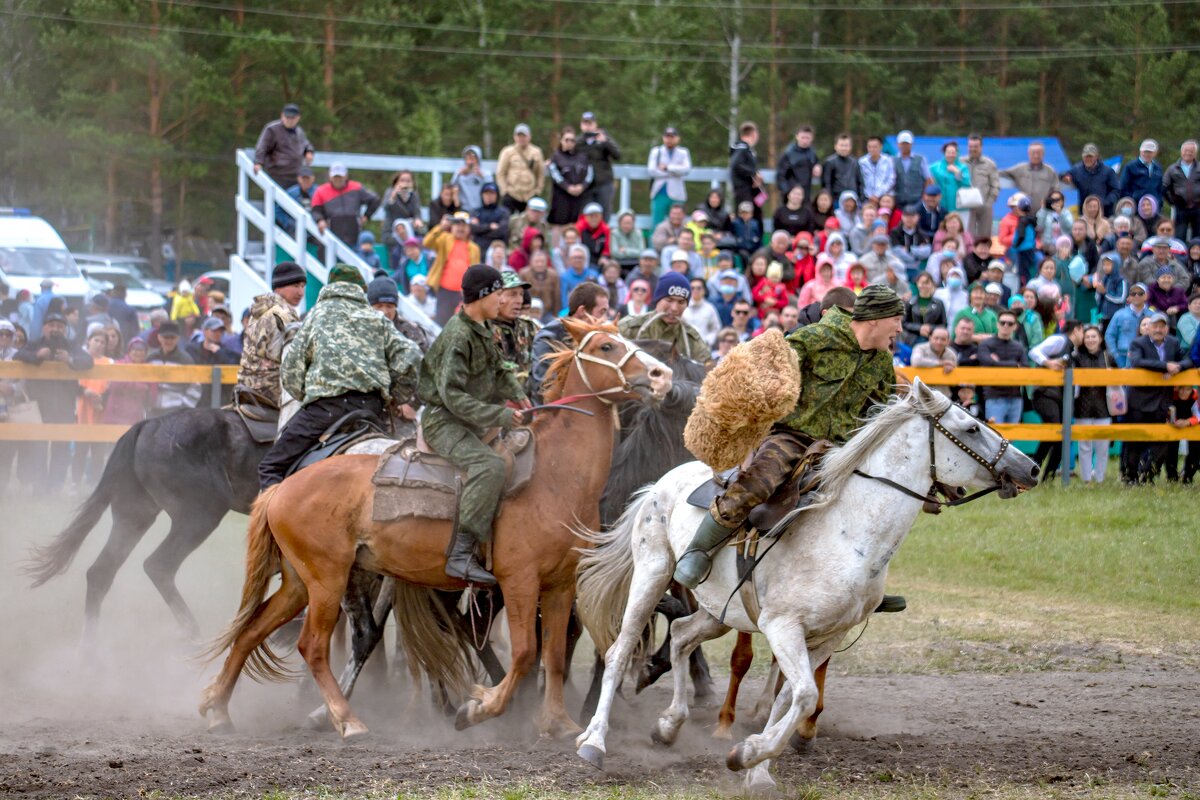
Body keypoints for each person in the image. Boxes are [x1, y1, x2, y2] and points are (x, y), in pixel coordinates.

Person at [673, 286, 904, 590]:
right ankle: (697, 550)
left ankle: (861, 584)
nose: (900, 328)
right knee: (759, 482)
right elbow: (767, 369)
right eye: (896, 320)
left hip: (843, 448)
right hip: (792, 436)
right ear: (876, 319)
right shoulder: (817, 337)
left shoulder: (882, 363)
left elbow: (880, 409)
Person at [259, 266, 421, 490]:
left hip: (325, 410)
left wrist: (304, 395)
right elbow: (412, 355)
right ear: (360, 289)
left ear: (330, 286)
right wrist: (397, 395)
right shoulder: (376, 318)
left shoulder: (315, 316)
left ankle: (270, 522)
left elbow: (291, 370)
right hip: (372, 410)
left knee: (270, 466)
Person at [418, 264, 529, 585]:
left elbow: (499, 370)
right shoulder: (458, 335)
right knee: (490, 467)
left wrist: (518, 395)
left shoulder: (482, 327)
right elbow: (452, 398)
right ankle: (461, 554)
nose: (504, 299)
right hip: (444, 422)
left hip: (471, 420)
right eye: (499, 293)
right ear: (483, 296)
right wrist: (502, 416)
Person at [13, 312, 94, 491]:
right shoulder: (35, 343)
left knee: (61, 448)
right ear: (44, 328)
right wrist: (37, 356)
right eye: (52, 325)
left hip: (64, 406)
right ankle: (39, 488)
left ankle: (55, 487)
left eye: (59, 326)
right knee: (38, 448)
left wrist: (70, 360)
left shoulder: (70, 345)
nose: (55, 329)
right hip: (39, 406)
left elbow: (88, 361)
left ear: (65, 329)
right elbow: (18, 356)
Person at [1122, 313, 1191, 484]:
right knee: (1135, 441)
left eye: (1162, 326)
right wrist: (1165, 367)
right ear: (1149, 328)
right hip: (1139, 399)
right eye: (1155, 326)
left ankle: (1148, 474)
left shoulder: (1173, 342)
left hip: (1161, 401)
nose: (1158, 329)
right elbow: (1137, 362)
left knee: (1162, 440)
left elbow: (1188, 360)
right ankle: (1130, 477)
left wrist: (1178, 367)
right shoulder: (1138, 343)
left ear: (1167, 328)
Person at [236, 262, 306, 408]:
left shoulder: (260, 310)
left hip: (248, 386)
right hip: (271, 389)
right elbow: (292, 360)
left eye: (302, 286)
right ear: (279, 287)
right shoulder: (283, 314)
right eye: (295, 286)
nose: (300, 292)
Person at [529, 281, 609, 402]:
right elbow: (543, 385)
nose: (605, 319)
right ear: (582, 311)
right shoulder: (549, 337)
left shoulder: (599, 338)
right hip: (555, 412)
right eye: (602, 312)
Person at [1027, 321, 1086, 481]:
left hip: (1059, 398)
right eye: (1083, 331)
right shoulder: (1060, 340)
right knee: (1057, 433)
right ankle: (1042, 474)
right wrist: (1048, 362)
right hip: (1045, 394)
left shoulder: (1074, 350)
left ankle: (1037, 473)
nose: (1084, 336)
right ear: (1077, 329)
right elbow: (1034, 352)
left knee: (1054, 435)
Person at [618, 271, 710, 364]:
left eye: (681, 302)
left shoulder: (690, 338)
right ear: (658, 299)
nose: (674, 308)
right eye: (669, 300)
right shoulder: (631, 328)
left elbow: (709, 369)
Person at [1071, 325, 1116, 484]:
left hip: (1104, 407)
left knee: (1102, 447)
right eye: (1088, 337)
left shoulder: (1108, 357)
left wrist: (1112, 375)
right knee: (1084, 446)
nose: (1090, 340)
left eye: (1094, 336)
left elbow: (1119, 380)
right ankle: (1086, 478)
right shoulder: (1076, 357)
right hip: (1082, 407)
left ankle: (1100, 477)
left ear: (1101, 339)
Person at [423, 211, 482, 325]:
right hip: (444, 291)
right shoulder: (445, 239)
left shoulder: (474, 248)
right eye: (457, 224)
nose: (460, 228)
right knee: (441, 323)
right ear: (452, 226)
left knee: (462, 325)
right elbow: (426, 242)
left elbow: (476, 272)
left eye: (464, 225)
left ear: (469, 228)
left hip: (464, 294)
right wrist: (441, 226)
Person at [311, 163, 381, 247]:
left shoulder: (356, 187)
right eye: (335, 177)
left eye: (340, 177)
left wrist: (366, 216)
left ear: (346, 176)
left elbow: (375, 200)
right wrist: (320, 220)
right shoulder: (321, 191)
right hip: (331, 233)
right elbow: (315, 210)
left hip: (354, 233)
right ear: (330, 177)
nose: (337, 179)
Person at [976, 309, 1027, 424]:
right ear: (997, 324)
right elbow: (987, 362)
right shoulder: (986, 344)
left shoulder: (1019, 347)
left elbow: (1025, 369)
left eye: (1010, 323)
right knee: (994, 436)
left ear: (1015, 326)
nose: (1006, 326)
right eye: (1003, 322)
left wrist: (996, 363)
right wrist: (1014, 365)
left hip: (1016, 397)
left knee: (1012, 437)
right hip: (994, 396)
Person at [491, 270, 538, 387]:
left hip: (532, 398)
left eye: (521, 294)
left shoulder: (529, 327)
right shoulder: (484, 330)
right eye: (512, 294)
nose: (519, 301)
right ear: (497, 296)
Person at [252, 102, 314, 189]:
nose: (289, 120)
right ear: (282, 115)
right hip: (278, 175)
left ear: (298, 118)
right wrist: (259, 162)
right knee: (277, 200)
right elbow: (262, 147)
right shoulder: (272, 129)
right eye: (287, 117)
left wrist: (309, 151)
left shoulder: (299, 131)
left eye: (293, 118)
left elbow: (306, 144)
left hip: (296, 176)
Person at [146, 321, 200, 417]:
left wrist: (184, 408)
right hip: (152, 410)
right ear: (159, 337)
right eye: (166, 337)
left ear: (178, 338)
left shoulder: (185, 360)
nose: (169, 341)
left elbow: (195, 386)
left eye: (172, 338)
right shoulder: (151, 358)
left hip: (176, 411)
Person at [547, 127, 593, 239]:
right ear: (561, 141)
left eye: (572, 140)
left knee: (575, 223)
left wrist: (582, 186)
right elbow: (555, 173)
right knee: (558, 224)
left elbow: (590, 173)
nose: (569, 143)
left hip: (578, 196)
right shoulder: (556, 157)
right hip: (561, 196)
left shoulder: (582, 157)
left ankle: (573, 249)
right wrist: (568, 187)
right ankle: (557, 251)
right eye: (566, 140)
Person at [645, 125, 693, 229]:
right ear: (663, 138)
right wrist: (674, 172)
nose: (669, 139)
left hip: (677, 193)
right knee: (657, 224)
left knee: (678, 223)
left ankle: (678, 244)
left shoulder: (683, 152)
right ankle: (655, 245)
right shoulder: (656, 151)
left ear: (677, 138)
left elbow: (686, 169)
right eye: (667, 136)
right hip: (659, 192)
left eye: (672, 137)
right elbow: (652, 171)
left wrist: (667, 167)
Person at [188, 317, 239, 407]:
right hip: (196, 402)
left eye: (220, 331)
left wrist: (219, 353)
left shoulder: (227, 352)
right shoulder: (192, 350)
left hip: (221, 403)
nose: (218, 334)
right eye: (214, 331)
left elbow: (234, 368)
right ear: (204, 331)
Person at [577, 111, 621, 216]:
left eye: (590, 123)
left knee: (604, 214)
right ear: (581, 125)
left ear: (595, 124)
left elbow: (618, 155)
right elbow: (566, 155)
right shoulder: (578, 142)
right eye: (585, 123)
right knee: (585, 215)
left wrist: (605, 142)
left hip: (604, 183)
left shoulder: (604, 138)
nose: (587, 127)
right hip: (585, 185)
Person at [495, 123, 545, 214]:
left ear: (529, 137)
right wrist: (504, 191)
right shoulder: (507, 152)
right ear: (514, 137)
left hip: (530, 195)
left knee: (529, 225)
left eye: (524, 136)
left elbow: (540, 174)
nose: (521, 139)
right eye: (519, 136)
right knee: (508, 222)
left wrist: (537, 191)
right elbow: (501, 173)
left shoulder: (536, 152)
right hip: (512, 194)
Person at [1061, 143, 1119, 216]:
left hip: (1104, 213)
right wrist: (1066, 177)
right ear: (1082, 157)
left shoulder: (1108, 171)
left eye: (1090, 157)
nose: (1088, 159)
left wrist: (1105, 202)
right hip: (1084, 213)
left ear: (1096, 156)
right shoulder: (1077, 170)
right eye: (1086, 157)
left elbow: (1116, 190)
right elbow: (1063, 175)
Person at [1000, 141, 1057, 211]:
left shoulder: (1050, 171)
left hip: (1043, 212)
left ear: (1043, 154)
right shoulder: (1020, 169)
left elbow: (1056, 192)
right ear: (1028, 153)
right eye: (1033, 153)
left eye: (1039, 153)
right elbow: (1003, 173)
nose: (1036, 156)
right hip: (1024, 212)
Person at [964, 134, 1001, 241]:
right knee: (967, 237)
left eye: (975, 146)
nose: (973, 149)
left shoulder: (989, 164)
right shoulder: (961, 162)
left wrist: (989, 203)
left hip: (984, 206)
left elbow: (995, 185)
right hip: (966, 206)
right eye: (970, 146)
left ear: (981, 147)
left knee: (984, 238)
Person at [1104, 282, 1150, 366]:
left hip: (1147, 357)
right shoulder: (1119, 314)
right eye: (1133, 293)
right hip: (1122, 357)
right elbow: (1109, 335)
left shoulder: (1153, 315)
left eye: (1140, 293)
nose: (1136, 296)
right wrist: (1115, 355)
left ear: (1146, 296)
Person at [1163, 140, 1200, 242]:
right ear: (1181, 151)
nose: (1188, 153)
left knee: (1197, 238)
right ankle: (1180, 257)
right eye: (1186, 150)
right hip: (1180, 209)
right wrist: (1172, 201)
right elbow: (1164, 187)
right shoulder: (1172, 169)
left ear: (1195, 153)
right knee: (1179, 236)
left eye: (1191, 151)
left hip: (1197, 208)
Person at [729, 121, 764, 222]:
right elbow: (736, 165)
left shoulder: (747, 149)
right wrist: (754, 173)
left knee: (756, 213)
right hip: (743, 190)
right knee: (745, 217)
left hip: (751, 190)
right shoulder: (741, 147)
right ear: (754, 134)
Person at [382, 170, 426, 249]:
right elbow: (386, 207)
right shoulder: (390, 192)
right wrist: (393, 196)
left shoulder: (414, 195)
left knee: (423, 235)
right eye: (402, 180)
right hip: (393, 233)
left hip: (410, 230)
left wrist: (417, 220)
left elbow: (417, 212)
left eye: (408, 181)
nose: (405, 183)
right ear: (396, 182)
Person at [930, 141, 972, 222]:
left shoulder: (963, 168)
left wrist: (957, 172)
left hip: (959, 207)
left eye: (953, 152)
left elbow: (967, 184)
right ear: (944, 153)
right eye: (948, 152)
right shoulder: (935, 167)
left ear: (957, 153)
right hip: (941, 206)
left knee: (959, 229)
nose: (951, 155)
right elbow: (926, 177)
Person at [910, 326, 958, 395]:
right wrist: (941, 363)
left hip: (943, 396)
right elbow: (916, 362)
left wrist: (952, 370)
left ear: (948, 341)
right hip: (921, 394)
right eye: (936, 338)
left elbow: (955, 376)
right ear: (930, 338)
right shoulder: (920, 348)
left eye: (943, 339)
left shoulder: (951, 353)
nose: (939, 342)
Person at [902, 272, 948, 345]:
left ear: (932, 284)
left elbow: (944, 324)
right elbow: (904, 323)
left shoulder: (939, 303)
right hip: (913, 339)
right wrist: (919, 328)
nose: (924, 286)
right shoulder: (910, 303)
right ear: (917, 284)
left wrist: (930, 328)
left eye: (927, 283)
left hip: (933, 339)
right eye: (921, 283)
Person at [892, 130, 933, 209]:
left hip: (917, 200)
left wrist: (925, 195)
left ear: (912, 144)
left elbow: (928, 179)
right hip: (898, 201)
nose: (904, 146)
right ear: (898, 144)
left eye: (907, 143)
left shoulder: (920, 159)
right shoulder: (892, 160)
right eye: (902, 143)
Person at [1118, 139, 1163, 207]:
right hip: (1135, 207)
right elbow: (1123, 188)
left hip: (1153, 208)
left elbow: (1160, 189)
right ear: (1140, 151)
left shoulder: (1158, 168)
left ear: (1155, 153)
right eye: (1145, 151)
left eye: (1150, 152)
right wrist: (1130, 202)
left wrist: (1159, 203)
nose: (1147, 154)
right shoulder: (1131, 166)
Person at [470, 182, 511, 253]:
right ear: (482, 195)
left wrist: (480, 230)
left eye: (492, 193)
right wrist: (489, 227)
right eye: (486, 193)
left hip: (496, 250)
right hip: (478, 249)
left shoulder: (504, 212)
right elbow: (473, 228)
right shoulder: (476, 211)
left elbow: (502, 231)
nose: (489, 196)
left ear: (497, 195)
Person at [453, 146, 492, 213]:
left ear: (478, 158)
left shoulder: (486, 173)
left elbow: (492, 188)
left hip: (481, 209)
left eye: (473, 157)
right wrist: (459, 175)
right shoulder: (459, 173)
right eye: (467, 157)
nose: (470, 161)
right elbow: (452, 187)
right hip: (464, 209)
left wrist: (482, 176)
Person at [858, 135, 895, 205]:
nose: (872, 149)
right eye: (869, 147)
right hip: (867, 198)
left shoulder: (888, 160)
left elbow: (891, 179)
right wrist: (870, 196)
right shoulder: (862, 162)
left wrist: (878, 194)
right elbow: (860, 181)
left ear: (881, 146)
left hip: (884, 197)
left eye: (875, 147)